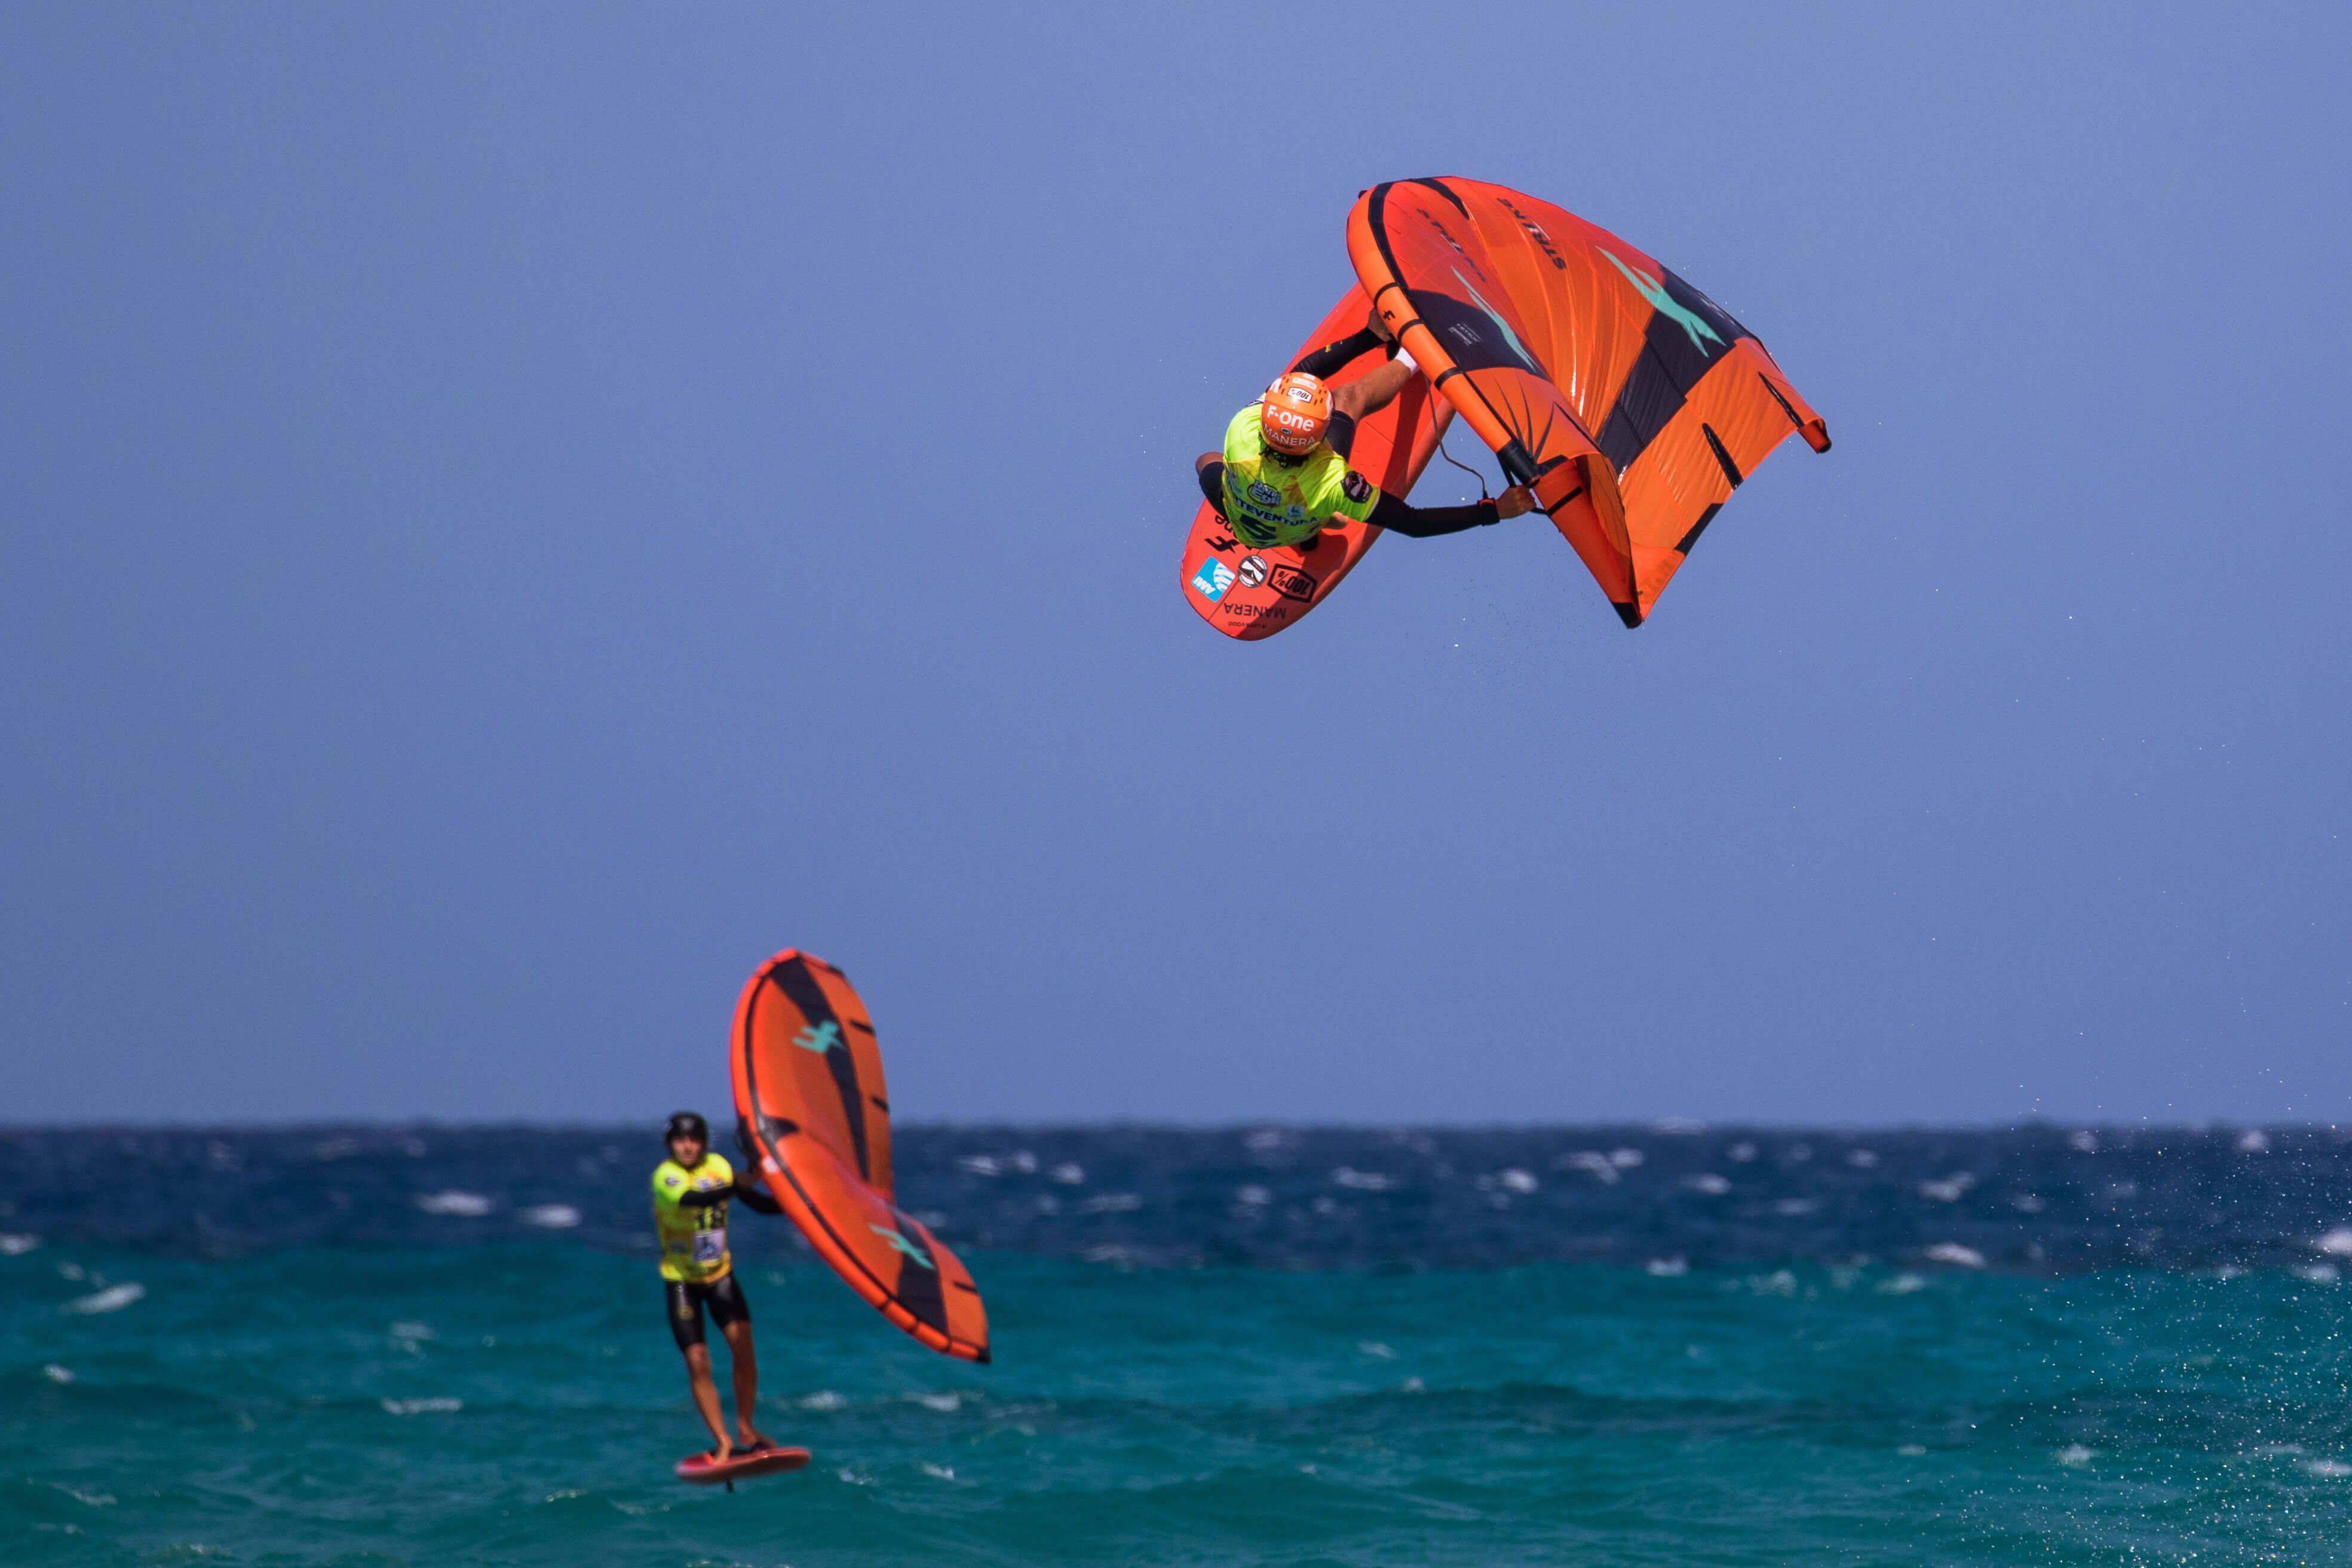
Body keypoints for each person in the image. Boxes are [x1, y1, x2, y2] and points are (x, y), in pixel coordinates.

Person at [1194, 313, 1536, 553]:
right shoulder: (1332, 481)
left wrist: (1369, 337)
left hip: (1243, 520)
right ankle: (1413, 355)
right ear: (1320, 440)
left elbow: (1300, 375)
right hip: (1302, 518)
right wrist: (1493, 511)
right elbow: (1411, 523)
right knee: (1348, 397)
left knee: (1205, 461)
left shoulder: (1243, 429)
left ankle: (1311, 529)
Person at [652, 1110, 783, 1465]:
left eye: (694, 1139)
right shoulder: (667, 1177)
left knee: (744, 1347)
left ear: (704, 1142)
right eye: (680, 1140)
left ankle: (745, 1428)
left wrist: (801, 1205)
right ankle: (722, 1440)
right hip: (683, 1281)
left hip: (720, 1276)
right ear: (670, 1145)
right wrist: (740, 1184)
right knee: (698, 1360)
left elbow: (756, 1203)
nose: (688, 1146)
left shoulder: (719, 1167)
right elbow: (697, 1201)